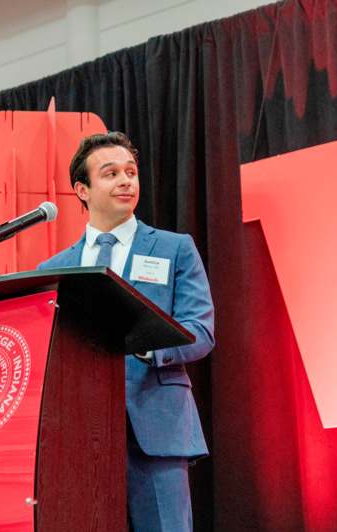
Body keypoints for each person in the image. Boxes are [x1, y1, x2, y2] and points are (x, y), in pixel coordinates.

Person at [37, 131, 215, 531]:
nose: (125, 181)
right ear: (82, 190)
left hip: (155, 431)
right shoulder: (52, 270)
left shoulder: (174, 249)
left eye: (131, 172)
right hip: (78, 438)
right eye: (111, 173)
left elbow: (200, 331)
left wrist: (145, 345)